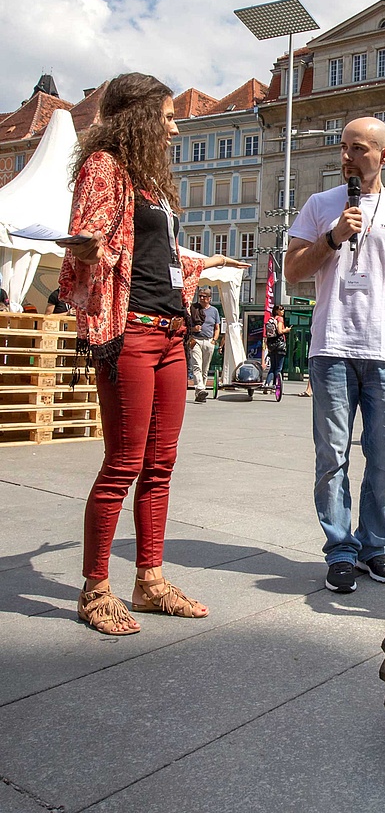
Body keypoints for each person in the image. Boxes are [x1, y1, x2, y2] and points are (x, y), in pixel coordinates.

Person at [56, 72, 249, 635]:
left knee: (160, 467)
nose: (174, 125)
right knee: (123, 464)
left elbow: (158, 259)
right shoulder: (104, 168)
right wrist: (89, 247)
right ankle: (95, 590)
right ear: (137, 116)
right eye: (166, 116)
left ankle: (149, 581)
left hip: (169, 334)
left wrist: (209, 265)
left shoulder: (154, 186)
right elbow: (93, 239)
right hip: (131, 333)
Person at [285, 116, 385, 594]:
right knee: (331, 456)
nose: (347, 157)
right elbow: (291, 271)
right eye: (343, 148)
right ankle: (341, 551)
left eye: (358, 149)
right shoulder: (320, 205)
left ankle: (374, 547)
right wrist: (331, 238)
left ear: (384, 156)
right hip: (331, 347)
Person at [188, 286, 220, 402]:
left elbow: (217, 327)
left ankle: (200, 394)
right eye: (200, 296)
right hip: (195, 340)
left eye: (204, 296)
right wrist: (193, 329)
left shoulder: (214, 311)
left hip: (209, 341)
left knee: (205, 369)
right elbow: (186, 326)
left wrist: (214, 340)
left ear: (209, 298)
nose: (201, 298)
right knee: (197, 366)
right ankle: (200, 388)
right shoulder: (193, 309)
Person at [264, 304, 289, 392]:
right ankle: (275, 386)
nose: (283, 311)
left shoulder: (272, 319)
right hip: (279, 346)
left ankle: (266, 385)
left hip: (272, 345)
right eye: (281, 309)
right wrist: (286, 330)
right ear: (277, 310)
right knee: (278, 368)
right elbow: (279, 331)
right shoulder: (280, 319)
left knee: (272, 367)